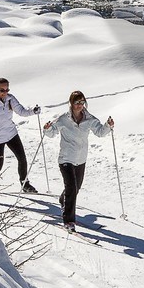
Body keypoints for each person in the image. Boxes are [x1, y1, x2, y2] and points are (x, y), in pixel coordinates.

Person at [42, 91, 115, 233]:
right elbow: (52, 133)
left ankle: (63, 199)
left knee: (76, 188)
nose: (80, 105)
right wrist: (47, 129)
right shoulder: (63, 119)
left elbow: (100, 132)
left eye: (82, 102)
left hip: (80, 159)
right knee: (71, 188)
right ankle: (69, 220)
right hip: (66, 159)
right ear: (71, 103)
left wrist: (108, 125)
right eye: (77, 103)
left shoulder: (89, 119)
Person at [0, 77, 40, 208]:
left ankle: (25, 184)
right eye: (2, 90)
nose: (5, 92)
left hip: (11, 133)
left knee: (22, 159)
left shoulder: (10, 99)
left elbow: (22, 111)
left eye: (7, 89)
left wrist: (33, 111)